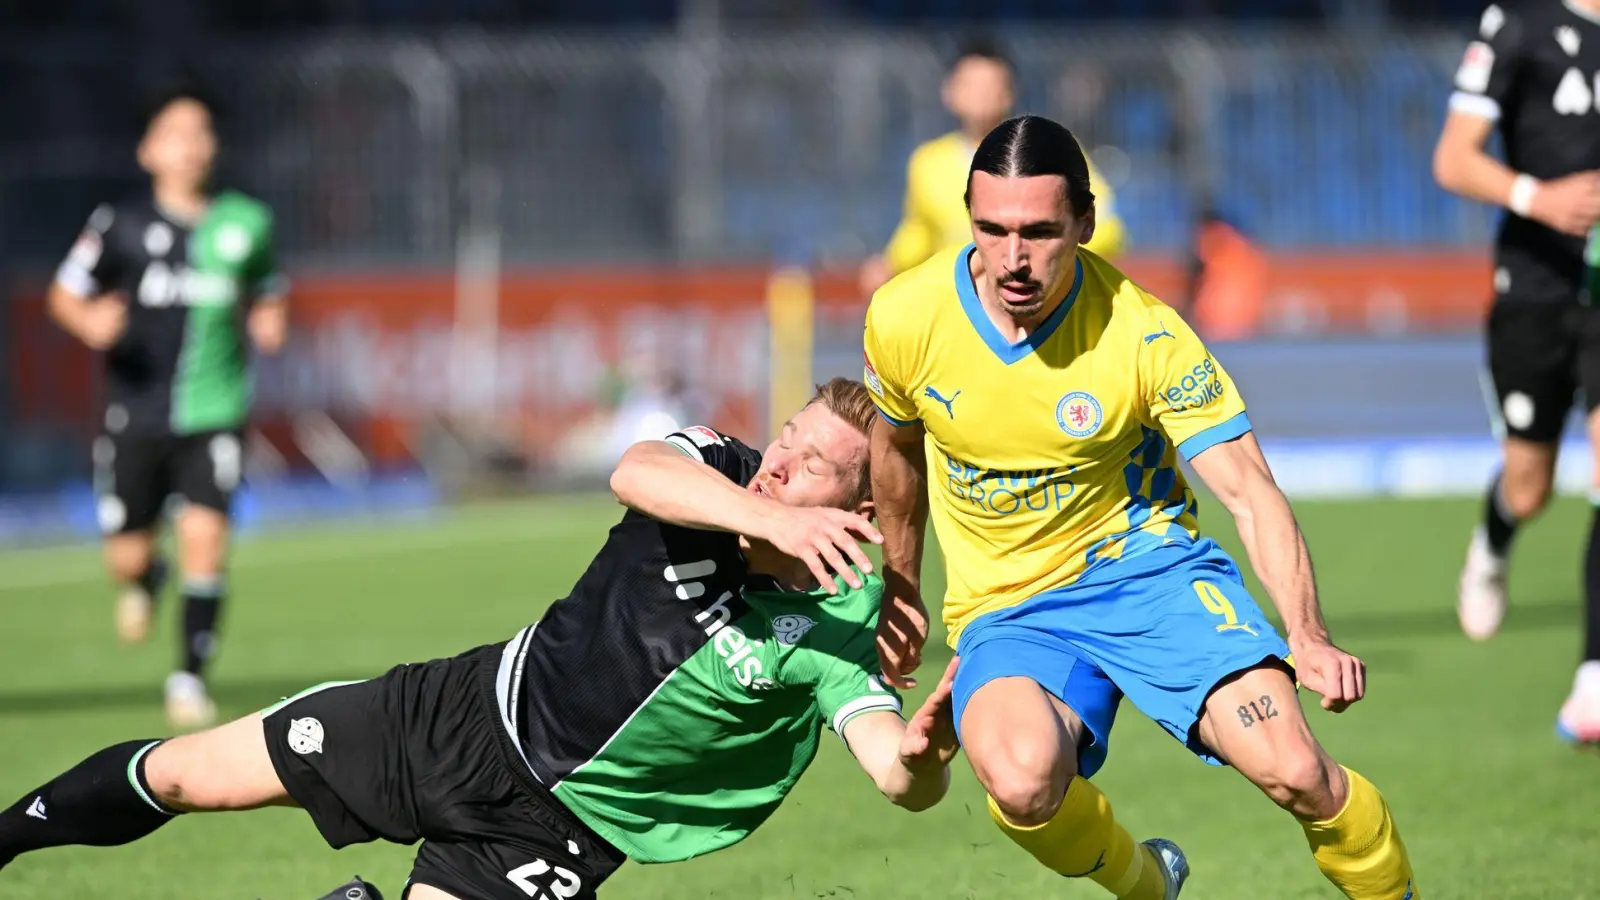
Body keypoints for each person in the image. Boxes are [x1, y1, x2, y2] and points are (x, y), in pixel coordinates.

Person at [0, 379, 961, 900]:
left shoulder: (831, 629)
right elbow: (634, 470)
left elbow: (890, 769)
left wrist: (925, 756)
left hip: (560, 833)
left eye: (809, 470)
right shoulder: (716, 467)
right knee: (184, 777)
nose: (778, 465)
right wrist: (780, 516)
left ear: (861, 507)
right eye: (786, 437)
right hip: (457, 714)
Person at [864, 116, 1420, 900]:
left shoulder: (1146, 334)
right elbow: (894, 450)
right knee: (1020, 782)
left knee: (1296, 770)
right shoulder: (904, 316)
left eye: (1039, 232)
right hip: (1011, 606)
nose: (1013, 259)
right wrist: (901, 583)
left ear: (1086, 223)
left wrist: (1308, 635)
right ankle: (1148, 882)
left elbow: (1249, 489)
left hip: (1151, 574)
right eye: (991, 230)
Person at [46, 85, 289, 730]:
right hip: (135, 413)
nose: (191, 147)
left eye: (201, 133)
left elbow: (267, 288)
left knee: (207, 541)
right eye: (176, 134)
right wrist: (91, 320)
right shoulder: (117, 226)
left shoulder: (246, 224)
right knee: (125, 555)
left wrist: (268, 319)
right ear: (148, 151)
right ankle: (144, 577)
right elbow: (65, 295)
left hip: (216, 413)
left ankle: (187, 678)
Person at [1432, 0, 1600, 743]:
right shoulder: (1521, 21)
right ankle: (1495, 540)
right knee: (1529, 488)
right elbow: (1453, 157)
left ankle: (1592, 679)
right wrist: (1538, 197)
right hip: (1533, 293)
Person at [857, 38, 1127, 298]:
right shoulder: (928, 162)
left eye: (991, 86)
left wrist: (1047, 255)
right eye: (972, 86)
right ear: (949, 92)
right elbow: (919, 230)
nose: (981, 96)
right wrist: (890, 264)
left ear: (1010, 93)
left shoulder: (1050, 149)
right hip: (961, 306)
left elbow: (1107, 225)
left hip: (1033, 301)